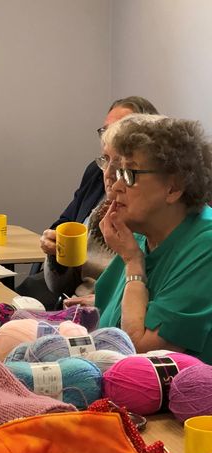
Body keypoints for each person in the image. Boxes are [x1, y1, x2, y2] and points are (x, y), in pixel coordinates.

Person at [17, 96, 159, 308]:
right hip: (71, 300)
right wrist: (57, 251)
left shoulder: (152, 218)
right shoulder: (97, 182)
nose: (109, 174)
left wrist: (108, 302)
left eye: (121, 130)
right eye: (106, 131)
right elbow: (65, 224)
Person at [94, 116, 212, 361]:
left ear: (173, 187)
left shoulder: (206, 245)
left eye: (129, 175)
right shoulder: (140, 235)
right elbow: (108, 320)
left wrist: (133, 264)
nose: (115, 187)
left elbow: (138, 350)